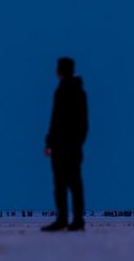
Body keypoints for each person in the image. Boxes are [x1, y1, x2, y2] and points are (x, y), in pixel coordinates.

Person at [41, 57, 88, 232]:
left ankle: (74, 220)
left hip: (67, 146)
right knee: (63, 184)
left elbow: (77, 122)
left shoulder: (72, 91)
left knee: (71, 184)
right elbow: (56, 120)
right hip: (63, 145)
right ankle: (66, 219)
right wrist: (50, 142)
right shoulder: (67, 90)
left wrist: (74, 143)